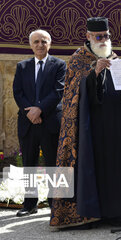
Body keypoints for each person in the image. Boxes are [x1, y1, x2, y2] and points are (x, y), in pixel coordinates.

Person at [50, 17, 121, 228]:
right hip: (87, 131)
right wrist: (94, 73)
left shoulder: (116, 59)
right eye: (99, 36)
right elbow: (71, 95)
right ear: (88, 37)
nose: (104, 40)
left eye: (107, 36)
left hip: (114, 127)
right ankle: (86, 214)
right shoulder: (77, 60)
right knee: (88, 168)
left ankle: (114, 212)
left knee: (115, 169)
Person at [13, 29, 66, 217]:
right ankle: (29, 205)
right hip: (28, 122)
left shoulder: (60, 65)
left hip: (51, 121)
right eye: (36, 42)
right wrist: (31, 112)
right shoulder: (22, 66)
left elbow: (58, 91)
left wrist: (40, 109)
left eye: (44, 41)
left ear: (50, 43)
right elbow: (17, 92)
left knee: (55, 163)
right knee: (29, 163)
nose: (40, 45)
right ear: (31, 45)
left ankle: (57, 205)